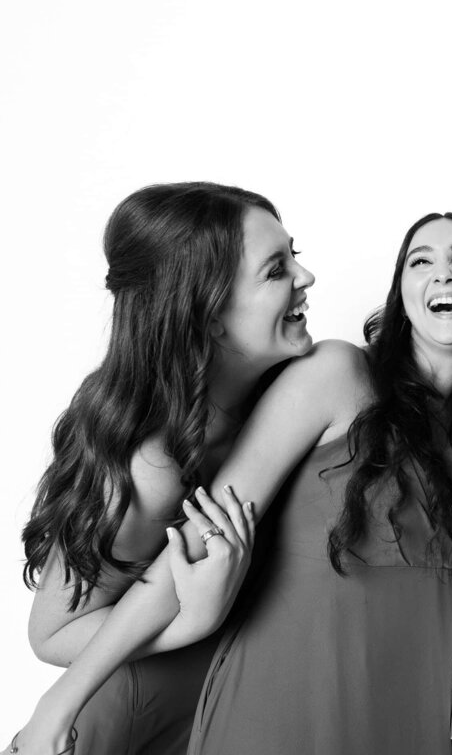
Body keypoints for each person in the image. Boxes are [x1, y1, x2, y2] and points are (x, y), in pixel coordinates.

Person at [14, 212, 452, 755]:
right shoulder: (335, 374)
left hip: (410, 712)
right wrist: (60, 703)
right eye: (421, 261)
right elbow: (193, 547)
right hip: (284, 708)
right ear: (400, 292)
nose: (443, 274)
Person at [14, 182, 308, 754]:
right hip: (119, 726)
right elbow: (50, 635)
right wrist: (190, 622)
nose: (305, 277)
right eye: (276, 270)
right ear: (211, 316)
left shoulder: (279, 397)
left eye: (296, 254)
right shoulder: (153, 465)